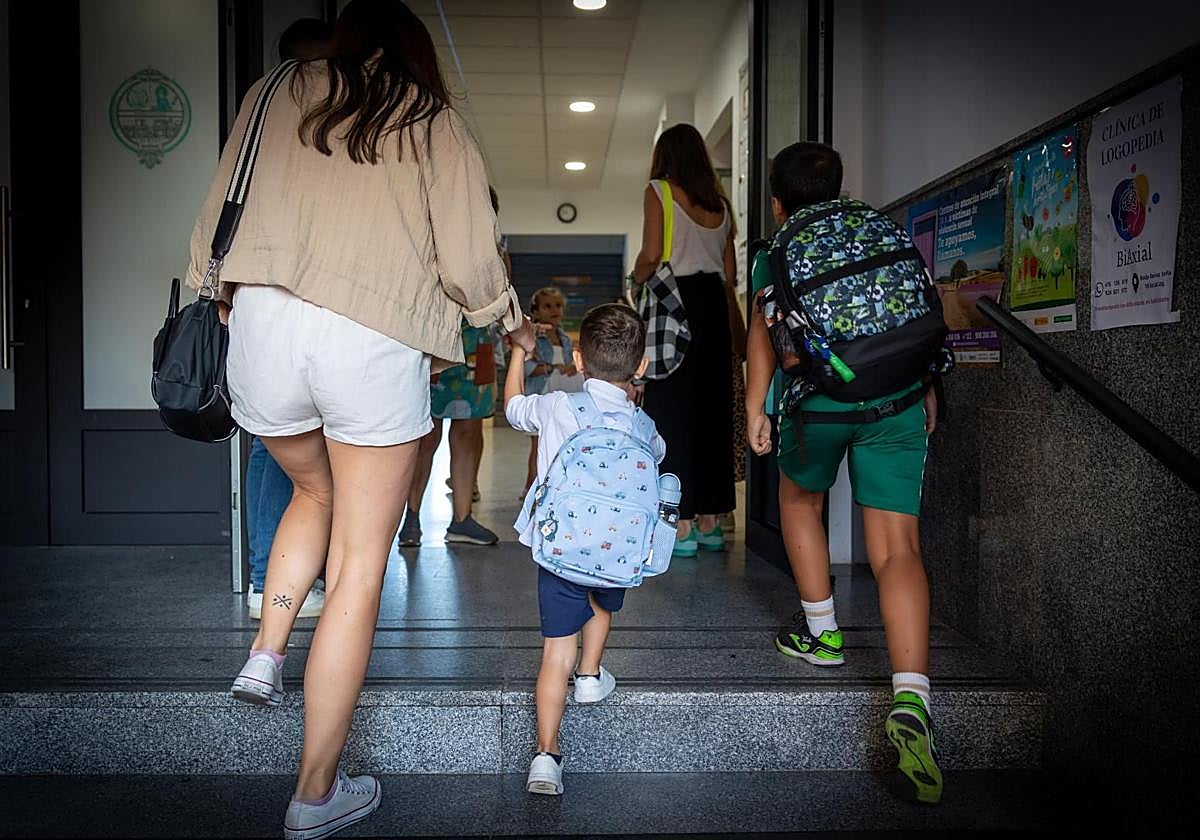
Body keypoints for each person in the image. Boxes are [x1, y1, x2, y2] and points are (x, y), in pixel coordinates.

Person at [187, 2, 533, 837]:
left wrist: (211, 292)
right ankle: (314, 795)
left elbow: (217, 211)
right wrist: (508, 321)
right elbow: (469, 254)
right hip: (371, 338)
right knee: (359, 568)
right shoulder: (429, 116)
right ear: (413, 51)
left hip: (264, 329)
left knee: (314, 491)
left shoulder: (272, 91)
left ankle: (266, 652)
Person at [744, 141, 943, 804]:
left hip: (821, 402)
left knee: (799, 500)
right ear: (837, 187)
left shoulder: (775, 250)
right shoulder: (879, 228)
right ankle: (911, 696)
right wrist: (928, 385)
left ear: (778, 203)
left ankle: (822, 633)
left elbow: (764, 337)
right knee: (898, 548)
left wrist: (756, 410)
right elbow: (912, 310)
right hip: (899, 397)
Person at [505, 303, 666, 797]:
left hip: (560, 546)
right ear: (640, 366)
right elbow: (657, 458)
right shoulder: (644, 427)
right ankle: (591, 674)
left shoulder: (558, 405)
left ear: (578, 360)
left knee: (556, 652)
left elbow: (513, 408)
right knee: (601, 597)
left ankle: (546, 756)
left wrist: (519, 353)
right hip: (615, 550)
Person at [242, 16, 333, 622]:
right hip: (311, 300)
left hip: (257, 300)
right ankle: (290, 580)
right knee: (305, 454)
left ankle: (264, 581)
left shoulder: (259, 111)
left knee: (268, 440)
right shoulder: (333, 117)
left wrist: (221, 293)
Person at [632, 123, 742, 558]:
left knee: (671, 413)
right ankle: (712, 523)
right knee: (713, 414)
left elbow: (651, 254)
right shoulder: (721, 206)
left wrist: (636, 277)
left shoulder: (659, 191)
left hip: (675, 305)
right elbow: (730, 275)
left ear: (665, 157)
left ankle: (680, 527)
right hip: (714, 306)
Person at [397, 188, 510, 548]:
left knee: (468, 432)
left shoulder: (496, 250)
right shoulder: (427, 242)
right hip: (435, 344)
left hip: (478, 348)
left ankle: (461, 520)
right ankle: (411, 518)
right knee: (426, 435)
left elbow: (500, 295)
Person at [522, 286, 577, 491]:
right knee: (539, 446)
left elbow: (568, 364)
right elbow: (526, 368)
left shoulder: (566, 339)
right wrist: (552, 368)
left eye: (558, 305)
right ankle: (531, 488)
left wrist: (571, 368)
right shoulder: (533, 338)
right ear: (536, 312)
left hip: (560, 397)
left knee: (560, 444)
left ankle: (556, 488)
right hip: (540, 396)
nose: (555, 310)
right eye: (548, 306)